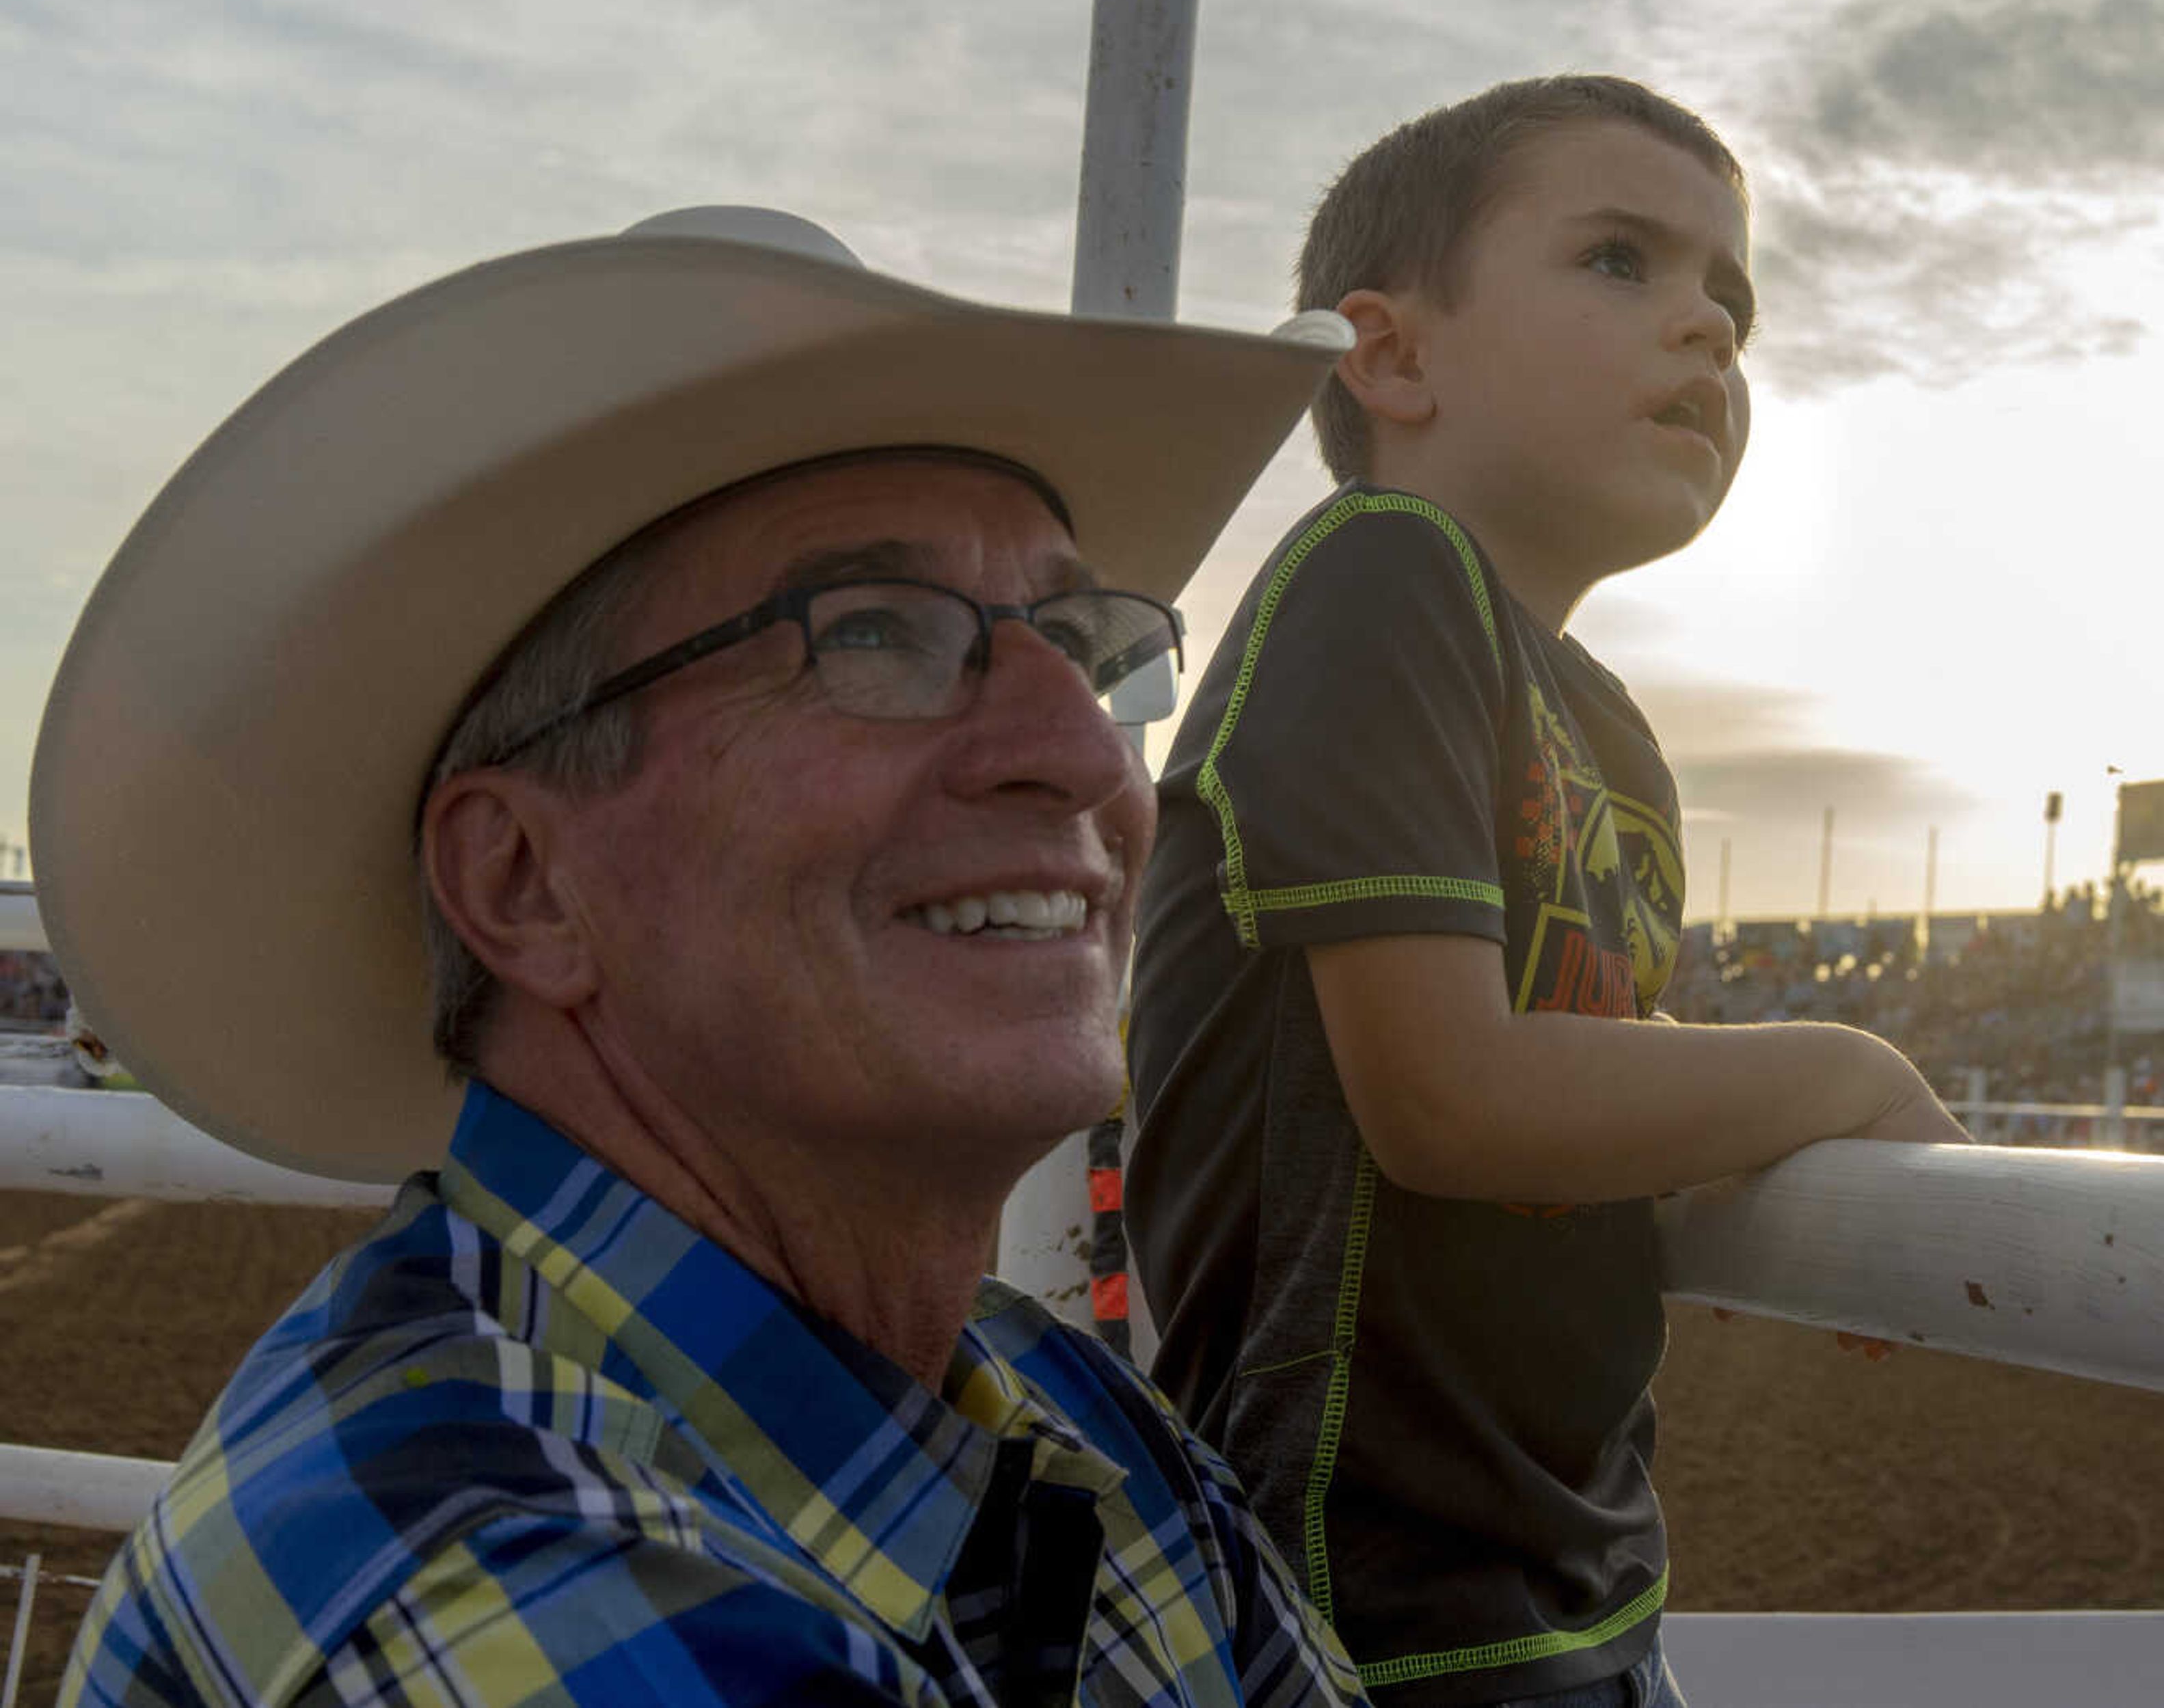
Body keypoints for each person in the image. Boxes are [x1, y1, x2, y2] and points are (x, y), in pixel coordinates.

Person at [41, 206, 1368, 1707]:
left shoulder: (1058, 1416)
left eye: (1076, 639)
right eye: (871, 633)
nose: (1080, 752)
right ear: (527, 882)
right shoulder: (481, 1583)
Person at [1126, 78, 1968, 1706]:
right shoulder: (1372, 572)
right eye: (1619, 262)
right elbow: (1451, 1098)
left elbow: (1601, 1125)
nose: (1708, 331)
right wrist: (1853, 1074)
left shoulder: (1609, 734)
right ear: (1391, 356)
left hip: (1580, 1587)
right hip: (1359, 1615)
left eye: (1732, 297)